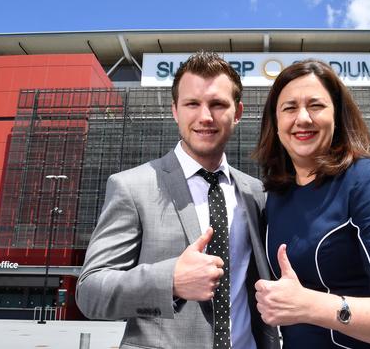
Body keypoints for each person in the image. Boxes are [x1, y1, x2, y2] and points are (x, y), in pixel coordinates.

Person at [76, 51, 280, 349]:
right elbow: (90, 292)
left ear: (237, 113)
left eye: (218, 104)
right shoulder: (131, 187)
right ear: (175, 110)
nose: (205, 116)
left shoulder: (256, 193)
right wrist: (169, 281)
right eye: (192, 104)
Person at [252, 60, 370, 348]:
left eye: (316, 105)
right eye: (289, 108)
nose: (303, 118)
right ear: (275, 121)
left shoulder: (366, 181)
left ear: (337, 115)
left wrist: (311, 306)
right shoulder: (275, 196)